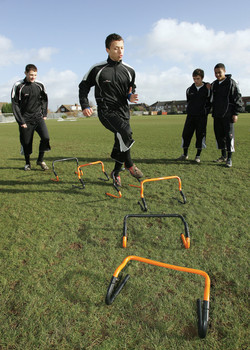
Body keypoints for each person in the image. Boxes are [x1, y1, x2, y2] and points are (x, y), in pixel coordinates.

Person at [78, 33, 143, 186]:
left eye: (122, 48)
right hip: (106, 111)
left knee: (121, 140)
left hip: (123, 111)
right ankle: (129, 164)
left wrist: (130, 96)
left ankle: (116, 173)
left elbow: (130, 87)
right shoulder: (98, 69)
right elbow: (83, 86)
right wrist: (85, 105)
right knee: (125, 133)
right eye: (116, 48)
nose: (120, 51)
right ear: (107, 49)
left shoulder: (129, 70)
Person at [11, 64, 51, 171]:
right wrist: (21, 121)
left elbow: (44, 99)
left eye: (35, 75)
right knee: (26, 143)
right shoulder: (18, 86)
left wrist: (44, 114)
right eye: (31, 75)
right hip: (25, 119)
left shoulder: (40, 85)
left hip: (38, 117)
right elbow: (15, 104)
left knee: (46, 137)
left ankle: (40, 160)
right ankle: (27, 163)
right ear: (26, 73)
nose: (33, 77)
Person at [211, 63, 244, 168]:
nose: (217, 75)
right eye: (215, 73)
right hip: (217, 115)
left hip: (228, 115)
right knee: (219, 136)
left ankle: (229, 158)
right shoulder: (214, 84)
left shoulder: (231, 83)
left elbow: (237, 98)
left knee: (229, 136)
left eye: (219, 72)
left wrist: (236, 113)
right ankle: (223, 156)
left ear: (224, 71)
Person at [177, 69, 211, 163]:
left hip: (201, 117)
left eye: (198, 78)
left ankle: (198, 156)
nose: (195, 81)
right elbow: (189, 101)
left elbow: (210, 102)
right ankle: (185, 154)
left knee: (200, 135)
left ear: (202, 78)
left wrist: (204, 111)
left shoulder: (207, 89)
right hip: (191, 116)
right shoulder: (189, 89)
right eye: (194, 78)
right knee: (186, 134)